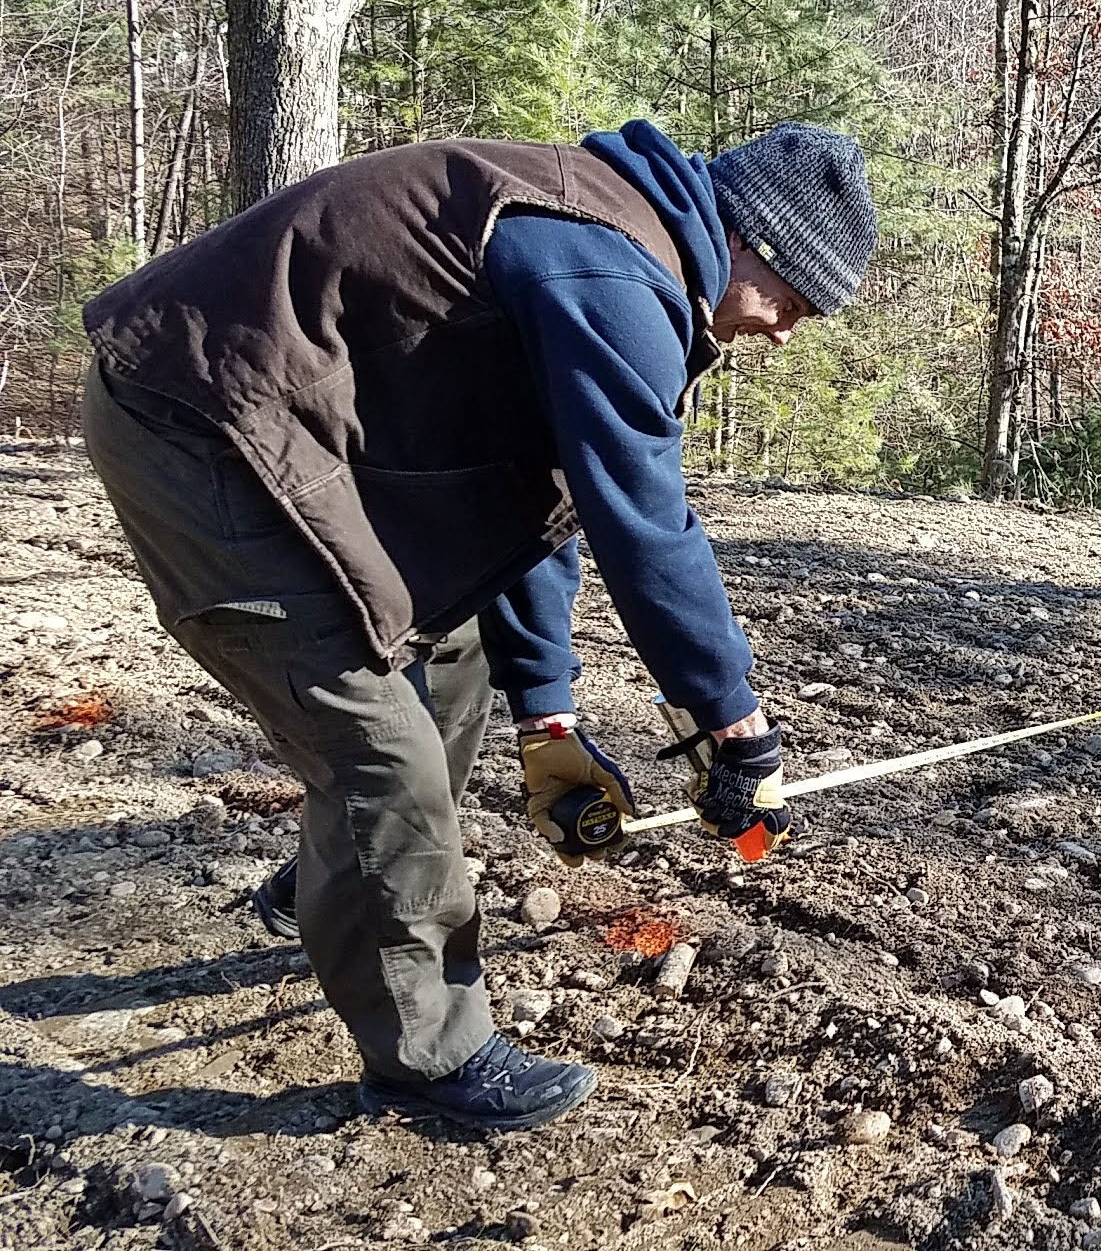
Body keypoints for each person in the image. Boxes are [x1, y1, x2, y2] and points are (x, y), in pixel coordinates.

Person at [80, 119, 877, 1130]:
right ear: (752, 240)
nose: (785, 328)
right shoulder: (604, 272)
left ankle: (340, 883)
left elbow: (532, 500)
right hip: (194, 423)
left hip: (276, 427)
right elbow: (645, 519)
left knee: (446, 665)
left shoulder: (619, 245)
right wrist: (736, 724)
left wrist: (548, 720)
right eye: (793, 299)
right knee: (379, 753)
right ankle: (428, 1063)